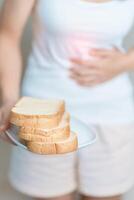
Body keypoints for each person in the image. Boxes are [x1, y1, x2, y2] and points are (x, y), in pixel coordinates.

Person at [0, 0, 134, 200]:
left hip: (113, 114)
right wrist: (9, 98)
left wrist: (125, 61)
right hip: (43, 118)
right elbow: (7, 34)